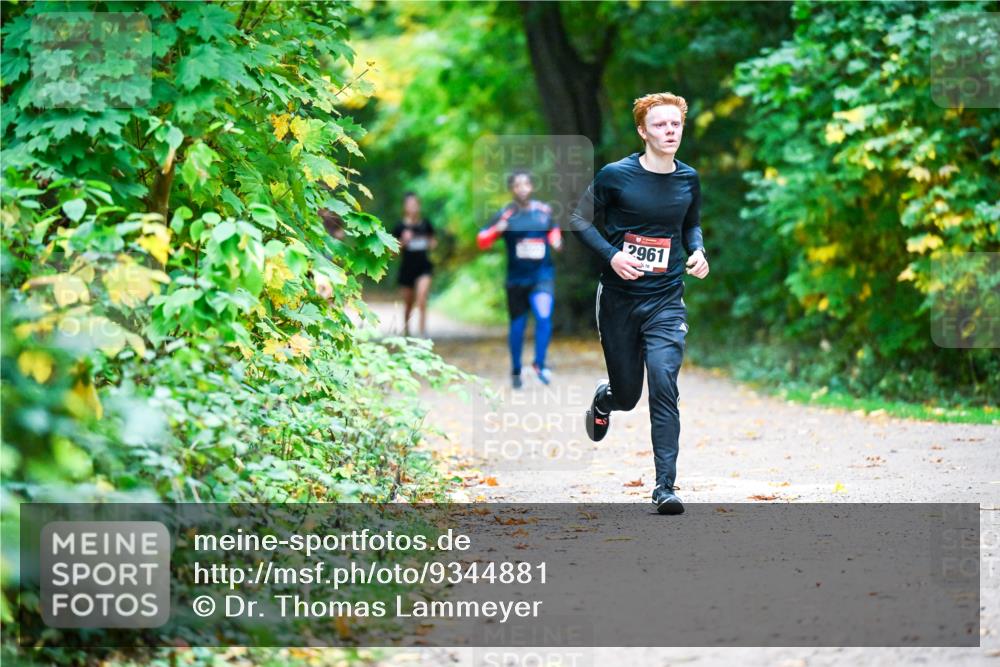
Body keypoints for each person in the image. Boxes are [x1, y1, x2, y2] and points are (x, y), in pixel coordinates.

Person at [569, 92, 710, 515]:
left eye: (676, 125)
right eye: (661, 125)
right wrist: (612, 255)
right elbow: (578, 219)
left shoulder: (689, 180)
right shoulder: (616, 176)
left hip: (666, 299)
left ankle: (665, 486)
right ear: (642, 131)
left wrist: (698, 251)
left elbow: (691, 224)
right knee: (629, 395)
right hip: (618, 300)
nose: (670, 131)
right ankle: (606, 398)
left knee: (664, 382)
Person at [478, 170, 562, 389]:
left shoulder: (544, 212)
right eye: (517, 185)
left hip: (541, 276)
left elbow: (554, 231)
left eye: (526, 184)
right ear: (512, 189)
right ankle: (516, 369)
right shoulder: (505, 214)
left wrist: (556, 241)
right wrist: (497, 230)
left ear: (531, 187)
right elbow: (482, 240)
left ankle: (539, 364)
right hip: (516, 280)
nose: (522, 188)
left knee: (544, 316)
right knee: (518, 325)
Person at [392, 192, 436, 337]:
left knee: (422, 297)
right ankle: (407, 332)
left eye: (415, 204)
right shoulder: (399, 227)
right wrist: (403, 242)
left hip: (424, 267)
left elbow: (433, 242)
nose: (413, 207)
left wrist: (431, 243)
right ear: (405, 207)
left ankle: (422, 334)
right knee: (408, 304)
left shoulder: (426, 224)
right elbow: (392, 253)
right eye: (410, 204)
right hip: (407, 269)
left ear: (419, 205)